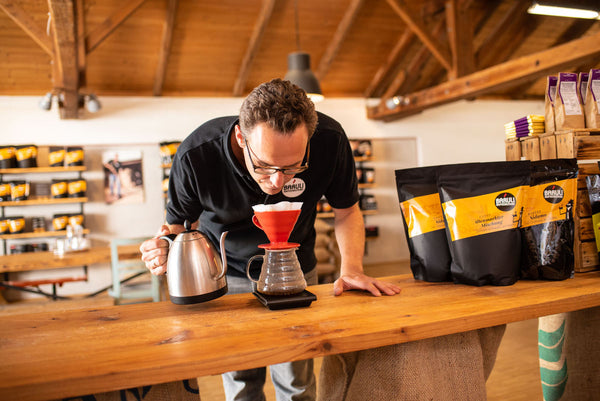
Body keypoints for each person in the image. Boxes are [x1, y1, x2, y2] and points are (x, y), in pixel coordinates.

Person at [140, 78, 401, 401]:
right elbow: (177, 230)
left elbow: (347, 211)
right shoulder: (197, 156)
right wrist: (163, 250)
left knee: (297, 382)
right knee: (241, 382)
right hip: (227, 272)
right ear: (241, 137)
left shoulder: (330, 141)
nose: (276, 182)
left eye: (293, 167)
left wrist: (352, 268)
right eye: (264, 166)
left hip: (295, 269)